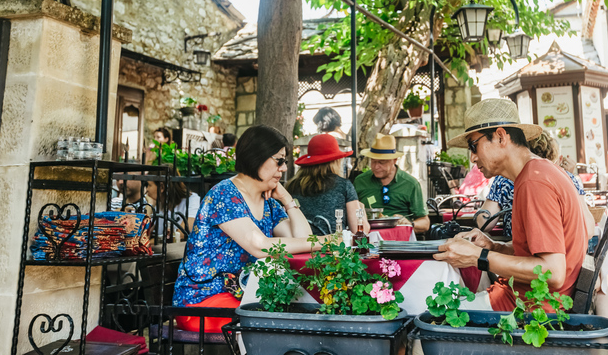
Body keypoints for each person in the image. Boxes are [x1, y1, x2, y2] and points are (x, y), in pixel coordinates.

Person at [434, 98, 587, 312]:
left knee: (431, 322)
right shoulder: (537, 173)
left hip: (530, 308)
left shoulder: (534, 181)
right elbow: (538, 253)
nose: (473, 157)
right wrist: (494, 247)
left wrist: (479, 257)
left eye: (474, 145)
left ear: (500, 136)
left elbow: (552, 271)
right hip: (528, 300)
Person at [172, 125, 325, 332]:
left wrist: (287, 200)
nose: (284, 168)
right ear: (257, 158)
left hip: (244, 297)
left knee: (309, 311)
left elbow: (302, 239)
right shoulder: (224, 194)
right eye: (279, 160)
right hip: (203, 302)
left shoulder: (269, 202)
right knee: (283, 318)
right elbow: (260, 246)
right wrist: (326, 242)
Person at [478, 132, 595, 239]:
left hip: (518, 252)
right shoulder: (566, 177)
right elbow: (588, 230)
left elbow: (484, 223)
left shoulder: (505, 179)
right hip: (562, 252)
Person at [287, 134, 370, 235]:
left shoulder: (291, 186)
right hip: (332, 247)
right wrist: (361, 209)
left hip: (298, 246)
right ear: (336, 161)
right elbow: (360, 231)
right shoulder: (343, 185)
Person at [354, 134, 430, 234]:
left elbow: (425, 223)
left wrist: (409, 224)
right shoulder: (360, 181)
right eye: (373, 161)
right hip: (367, 239)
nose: (376, 167)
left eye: (382, 162)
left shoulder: (410, 184)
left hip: (400, 242)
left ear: (394, 160)